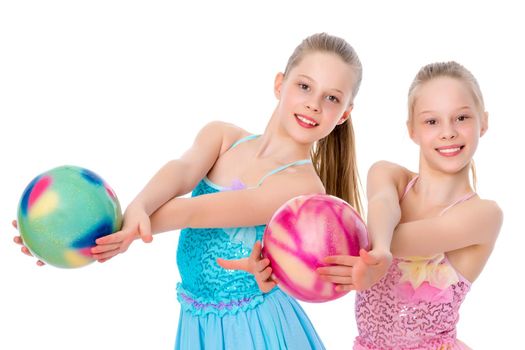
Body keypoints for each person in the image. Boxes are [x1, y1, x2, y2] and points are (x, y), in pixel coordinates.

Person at [14, 33, 364, 350]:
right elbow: (181, 173)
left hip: (253, 327)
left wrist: (106, 232)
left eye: (331, 98)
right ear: (279, 84)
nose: (314, 104)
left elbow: (194, 212)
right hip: (198, 320)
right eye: (304, 86)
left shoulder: (301, 187)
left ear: (344, 114)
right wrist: (111, 219)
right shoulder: (224, 136)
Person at [317, 61, 503, 349]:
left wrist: (376, 250)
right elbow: (383, 203)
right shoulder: (387, 174)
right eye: (432, 121)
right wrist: (378, 251)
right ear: (412, 130)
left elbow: (425, 235)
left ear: (484, 122)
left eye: (462, 118)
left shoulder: (483, 215)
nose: (448, 132)